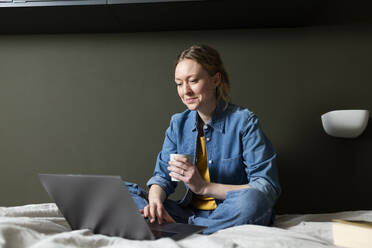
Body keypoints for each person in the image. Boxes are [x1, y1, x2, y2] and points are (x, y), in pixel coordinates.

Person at [125, 44, 281, 234]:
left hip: (230, 211)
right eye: (179, 83)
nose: (185, 91)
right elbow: (162, 177)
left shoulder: (244, 122)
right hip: (186, 213)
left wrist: (204, 187)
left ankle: (183, 229)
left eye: (193, 81)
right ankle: (180, 225)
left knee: (254, 201)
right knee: (123, 193)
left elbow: (266, 187)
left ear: (216, 79)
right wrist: (155, 201)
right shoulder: (178, 124)